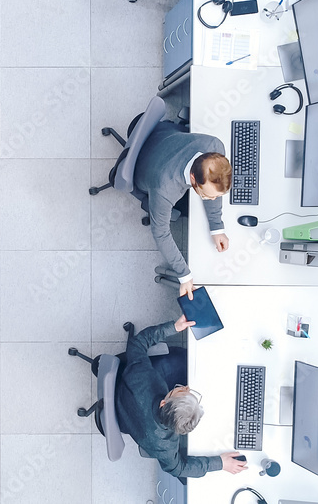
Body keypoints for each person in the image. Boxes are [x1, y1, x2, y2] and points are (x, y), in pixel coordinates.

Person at [115, 315, 248, 478]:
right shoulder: (164, 446)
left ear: (164, 403)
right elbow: (178, 469)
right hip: (128, 413)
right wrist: (220, 464)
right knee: (182, 362)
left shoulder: (141, 377)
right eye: (181, 390)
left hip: (128, 393)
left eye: (180, 390)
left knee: (181, 360)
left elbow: (137, 343)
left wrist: (174, 327)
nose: (186, 387)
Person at [132, 122, 232, 300]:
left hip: (162, 134)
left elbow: (214, 186)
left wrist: (217, 227)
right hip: (143, 169)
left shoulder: (215, 146)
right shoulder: (165, 189)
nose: (214, 200)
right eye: (209, 196)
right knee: (186, 212)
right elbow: (161, 233)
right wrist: (184, 275)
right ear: (193, 178)